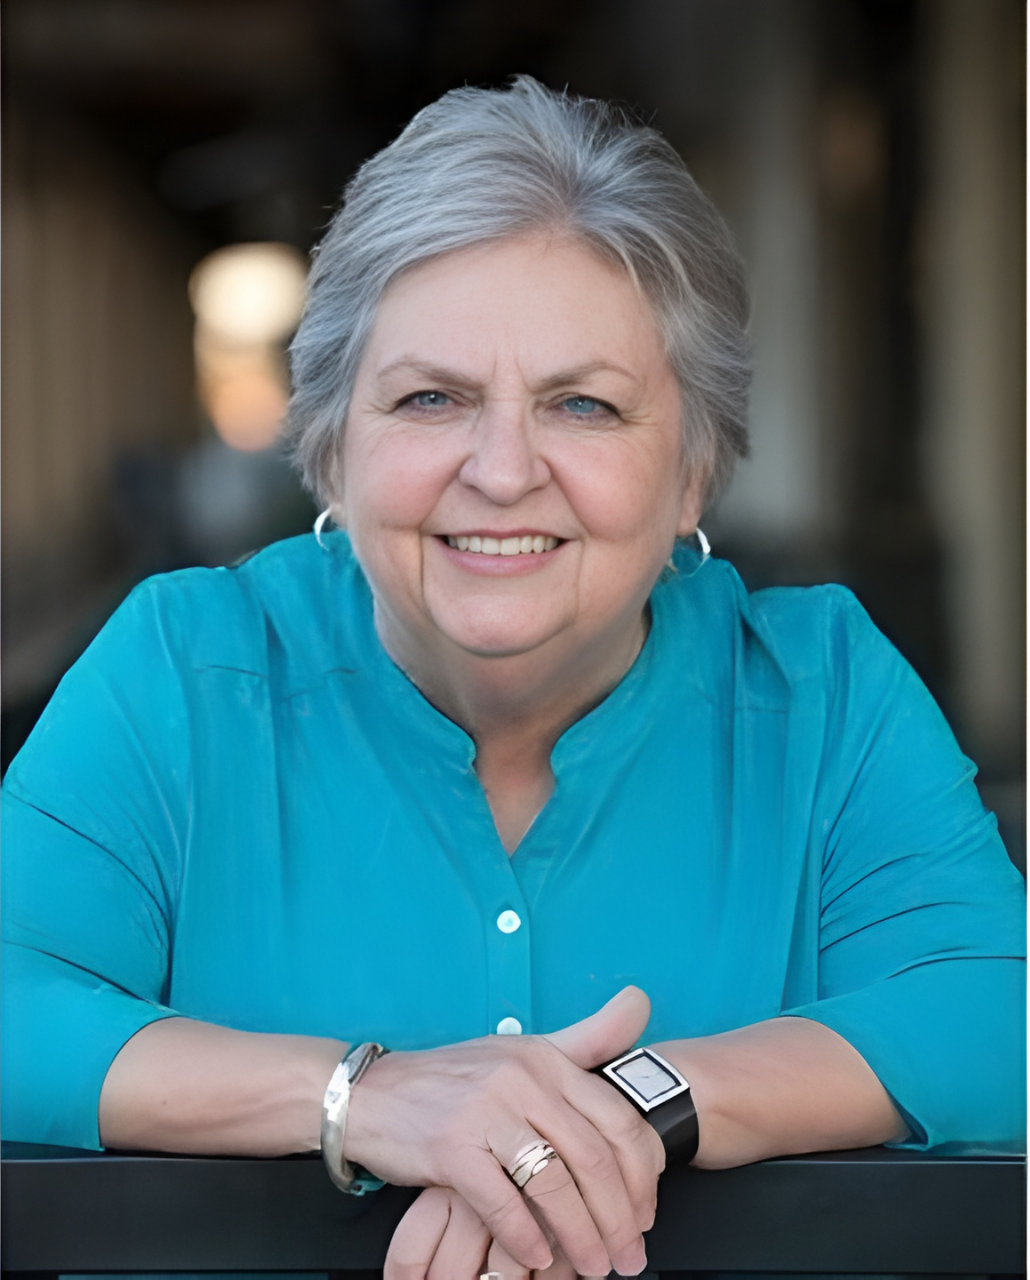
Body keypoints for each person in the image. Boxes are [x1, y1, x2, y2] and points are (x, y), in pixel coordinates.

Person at [1, 77, 1024, 1280]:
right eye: (431, 398)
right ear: (332, 445)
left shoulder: (822, 688)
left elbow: (993, 1006)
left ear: (694, 470)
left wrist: (619, 1113)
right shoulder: (181, 666)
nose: (500, 470)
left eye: (582, 404)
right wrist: (365, 1098)